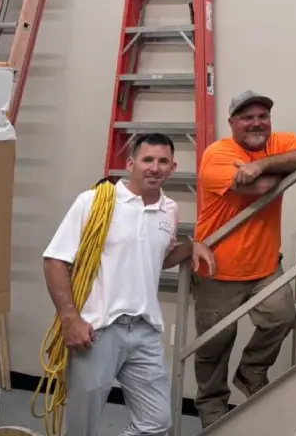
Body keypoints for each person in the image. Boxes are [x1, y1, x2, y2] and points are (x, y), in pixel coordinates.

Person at [42, 133, 216, 436]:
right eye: (148, 160)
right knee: (82, 428)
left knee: (157, 423)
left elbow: (153, 257)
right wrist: (70, 319)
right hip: (97, 330)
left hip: (145, 330)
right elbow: (55, 260)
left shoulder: (169, 210)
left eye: (163, 161)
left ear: (173, 167)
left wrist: (192, 246)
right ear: (131, 163)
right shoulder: (95, 202)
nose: (155, 167)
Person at [192, 91, 296, 428]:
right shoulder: (218, 153)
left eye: (263, 116)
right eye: (247, 117)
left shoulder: (278, 142)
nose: (257, 122)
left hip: (264, 268)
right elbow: (259, 189)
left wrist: (261, 163)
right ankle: (212, 414)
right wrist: (285, 169)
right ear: (232, 123)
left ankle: (251, 372)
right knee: (214, 349)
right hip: (216, 271)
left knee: (282, 316)